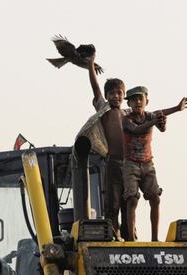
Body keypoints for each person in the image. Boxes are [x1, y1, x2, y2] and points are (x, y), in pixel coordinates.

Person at [122, 86, 187, 241]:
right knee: (132, 199)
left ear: (147, 101)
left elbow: (162, 126)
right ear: (129, 104)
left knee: (155, 199)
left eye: (141, 99)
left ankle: (154, 238)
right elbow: (137, 129)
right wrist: (154, 121)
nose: (138, 102)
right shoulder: (126, 119)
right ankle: (131, 239)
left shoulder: (150, 116)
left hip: (147, 164)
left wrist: (168, 116)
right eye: (134, 100)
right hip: (130, 164)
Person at [80, 52, 129, 241]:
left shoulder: (128, 114)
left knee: (129, 201)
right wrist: (91, 65)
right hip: (111, 162)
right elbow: (95, 88)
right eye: (112, 93)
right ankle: (113, 235)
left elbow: (148, 118)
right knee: (112, 203)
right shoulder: (103, 108)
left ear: (124, 95)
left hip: (128, 164)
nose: (115, 96)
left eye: (119, 93)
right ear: (107, 96)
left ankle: (129, 235)